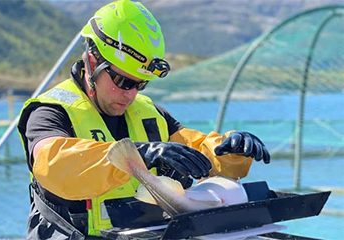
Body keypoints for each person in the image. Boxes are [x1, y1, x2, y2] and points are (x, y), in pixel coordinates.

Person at [17, 0, 270, 239]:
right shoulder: (50, 112)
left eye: (140, 84)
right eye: (122, 81)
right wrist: (140, 154)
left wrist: (232, 151)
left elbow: (196, 151)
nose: (130, 94)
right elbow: (53, 162)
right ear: (92, 62)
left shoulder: (150, 113)